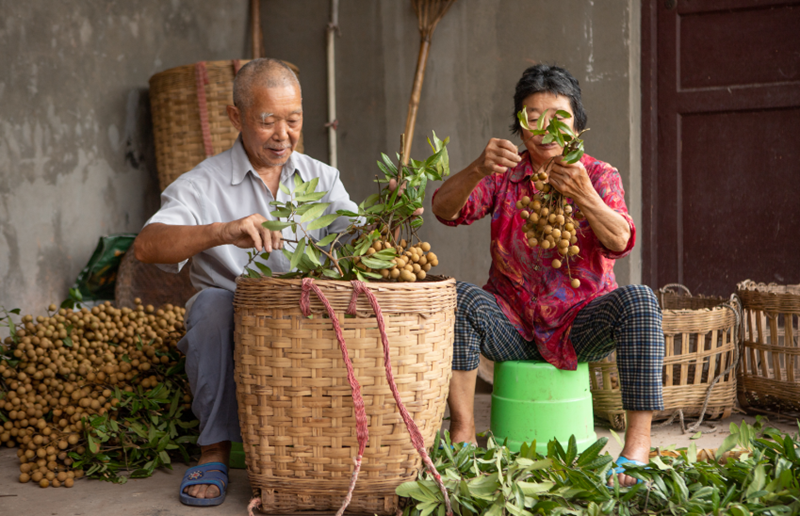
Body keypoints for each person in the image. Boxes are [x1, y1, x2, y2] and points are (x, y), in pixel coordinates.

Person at [133, 58, 359, 506]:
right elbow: (147, 246)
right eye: (267, 121)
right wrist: (221, 231)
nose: (283, 135)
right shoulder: (203, 184)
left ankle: (333, 446)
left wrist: (390, 219)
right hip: (238, 317)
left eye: (293, 120)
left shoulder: (321, 177)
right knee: (209, 308)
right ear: (235, 117)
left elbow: (356, 237)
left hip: (307, 315)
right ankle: (214, 449)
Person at [431, 64, 664, 488]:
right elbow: (444, 210)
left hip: (580, 323)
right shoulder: (503, 175)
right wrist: (477, 169)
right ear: (519, 126)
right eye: (532, 117)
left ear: (577, 123)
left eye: (558, 116)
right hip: (512, 325)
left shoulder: (599, 175)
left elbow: (620, 239)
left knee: (641, 301)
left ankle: (637, 451)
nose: (545, 128)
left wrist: (585, 196)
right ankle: (462, 435)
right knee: (458, 295)